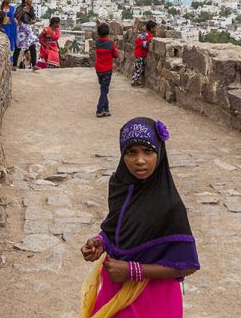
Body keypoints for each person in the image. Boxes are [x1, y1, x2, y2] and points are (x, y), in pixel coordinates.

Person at [79, 117, 199, 317]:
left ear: (159, 153)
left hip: (152, 298)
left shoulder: (170, 205)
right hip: (114, 287)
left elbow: (186, 265)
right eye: (131, 152)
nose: (140, 160)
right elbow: (117, 227)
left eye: (148, 151)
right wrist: (101, 242)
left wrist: (133, 271)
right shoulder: (119, 187)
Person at [94, 22, 118, 117]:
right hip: (107, 70)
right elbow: (115, 55)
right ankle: (99, 109)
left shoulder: (97, 42)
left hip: (99, 70)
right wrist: (114, 45)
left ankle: (106, 109)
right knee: (104, 90)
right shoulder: (110, 44)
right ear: (108, 33)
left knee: (103, 89)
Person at [13, 0, 40, 71]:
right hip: (20, 28)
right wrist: (22, 11)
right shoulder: (19, 7)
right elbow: (16, 18)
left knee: (32, 45)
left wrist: (33, 21)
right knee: (18, 46)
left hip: (28, 28)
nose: (31, 1)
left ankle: (34, 65)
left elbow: (33, 18)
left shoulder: (31, 8)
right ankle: (14, 65)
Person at [131, 20, 156, 87]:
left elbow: (137, 41)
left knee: (137, 68)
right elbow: (143, 45)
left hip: (138, 53)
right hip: (140, 54)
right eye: (155, 28)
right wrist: (147, 43)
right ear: (151, 28)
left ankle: (134, 81)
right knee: (139, 69)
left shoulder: (144, 34)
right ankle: (134, 82)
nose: (156, 29)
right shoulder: (149, 36)